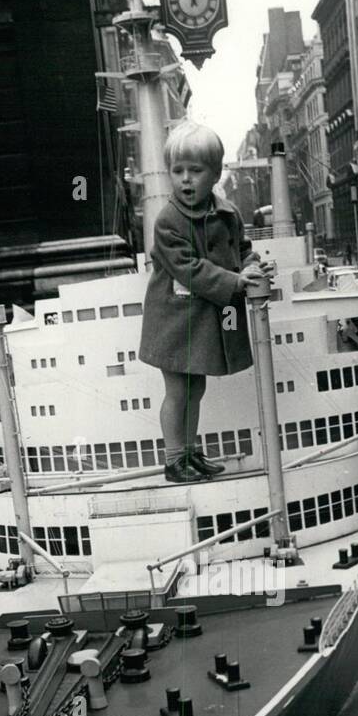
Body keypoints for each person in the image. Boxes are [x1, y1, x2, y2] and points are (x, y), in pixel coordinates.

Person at [139, 120, 267, 483]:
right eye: (177, 171)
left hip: (197, 319)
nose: (185, 179)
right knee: (178, 392)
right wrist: (236, 281)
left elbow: (241, 250)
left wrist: (253, 266)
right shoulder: (168, 220)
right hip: (173, 323)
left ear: (215, 174)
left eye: (195, 171)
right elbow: (189, 268)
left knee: (196, 389)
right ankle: (174, 459)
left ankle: (190, 453)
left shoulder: (227, 212)